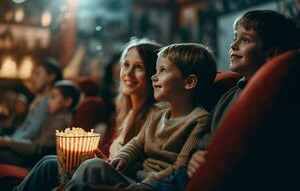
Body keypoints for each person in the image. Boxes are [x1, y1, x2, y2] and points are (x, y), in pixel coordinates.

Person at [147, 10, 300, 191]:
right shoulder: (228, 95)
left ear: (271, 53)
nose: (233, 45)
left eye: (245, 39)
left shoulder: (277, 99)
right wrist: (196, 155)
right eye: (235, 37)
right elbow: (206, 139)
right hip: (193, 173)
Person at [62, 43, 217, 190]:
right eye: (155, 71)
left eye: (162, 70)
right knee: (92, 165)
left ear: (189, 82)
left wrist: (147, 184)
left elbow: (181, 167)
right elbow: (136, 144)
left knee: (92, 166)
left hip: (153, 185)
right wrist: (122, 158)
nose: (154, 77)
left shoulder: (199, 119)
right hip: (134, 178)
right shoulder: (157, 113)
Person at [14, 38, 162, 191]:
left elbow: (140, 169)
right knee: (49, 162)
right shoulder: (125, 112)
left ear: (153, 74)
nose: (128, 73)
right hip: (101, 168)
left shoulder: (156, 116)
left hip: (117, 179)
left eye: (139, 67)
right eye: (125, 65)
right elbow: (109, 154)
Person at [0, 80, 82, 168]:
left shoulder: (60, 122)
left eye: (53, 97)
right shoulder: (55, 117)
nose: (48, 102)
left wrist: (9, 143)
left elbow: (37, 149)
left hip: (35, 163)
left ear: (67, 101)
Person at [0, 58, 62, 142]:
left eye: (37, 74)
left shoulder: (47, 102)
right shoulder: (38, 97)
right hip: (15, 137)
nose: (33, 77)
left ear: (50, 77)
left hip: (22, 144)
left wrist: (9, 141)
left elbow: (31, 132)